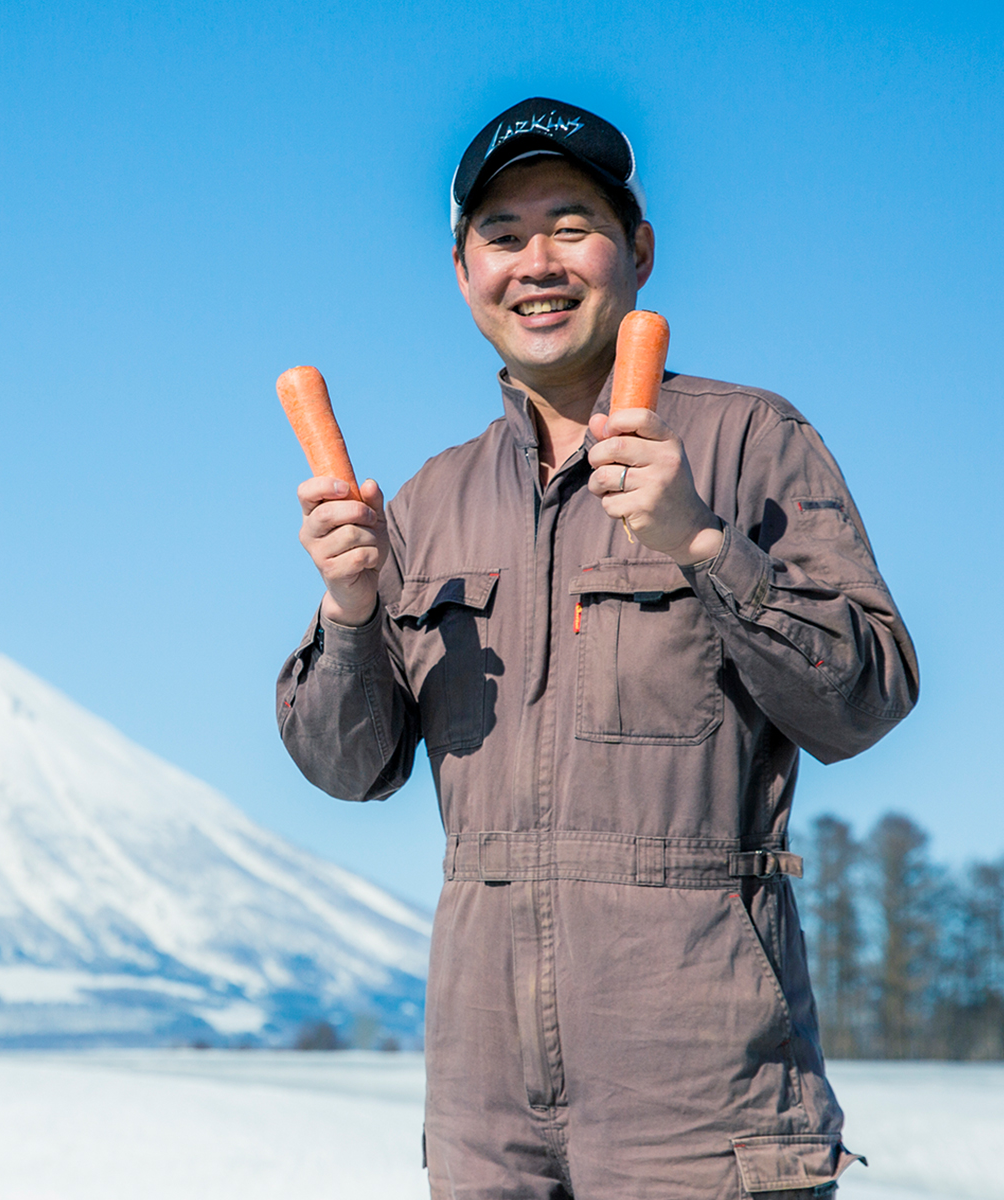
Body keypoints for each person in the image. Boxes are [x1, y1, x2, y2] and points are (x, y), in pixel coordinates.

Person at [276, 98, 918, 1200]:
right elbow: (345, 767)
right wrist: (346, 610)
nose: (537, 262)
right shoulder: (428, 501)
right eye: (502, 233)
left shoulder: (747, 442)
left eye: (571, 223)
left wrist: (702, 544)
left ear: (638, 251)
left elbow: (863, 698)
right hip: (484, 1113)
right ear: (461, 268)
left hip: (701, 1103)